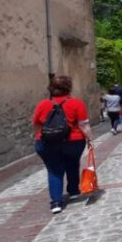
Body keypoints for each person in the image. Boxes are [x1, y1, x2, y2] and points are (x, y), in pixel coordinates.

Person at [33, 76, 93, 214]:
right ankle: (73, 191)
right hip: (74, 141)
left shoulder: (43, 104)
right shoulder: (77, 103)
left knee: (54, 170)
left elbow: (36, 123)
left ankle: (56, 202)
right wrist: (89, 139)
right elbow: (83, 124)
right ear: (69, 88)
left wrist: (39, 138)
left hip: (47, 143)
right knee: (73, 163)